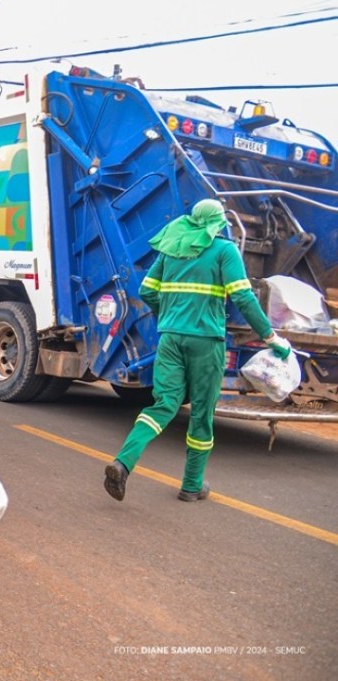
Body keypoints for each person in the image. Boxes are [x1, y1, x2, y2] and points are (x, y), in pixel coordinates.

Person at [103, 198, 292, 503]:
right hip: (206, 342)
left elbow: (147, 291)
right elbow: (243, 298)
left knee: (163, 405)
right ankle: (191, 485)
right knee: (202, 411)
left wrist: (168, 315)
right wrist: (271, 338)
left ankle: (123, 462)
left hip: (170, 340)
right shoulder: (224, 250)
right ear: (218, 224)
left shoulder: (172, 250)